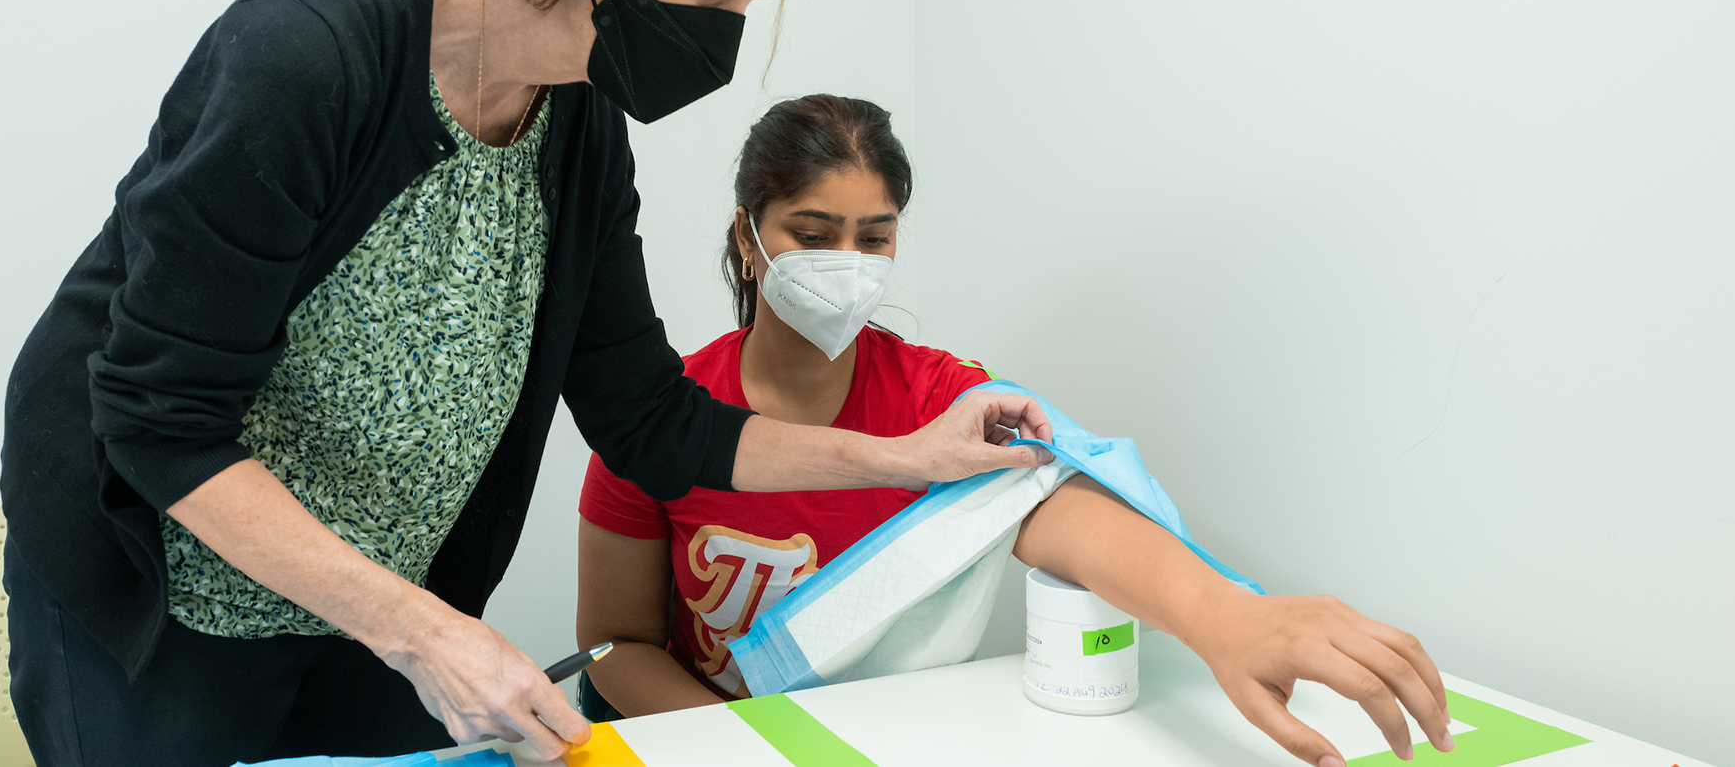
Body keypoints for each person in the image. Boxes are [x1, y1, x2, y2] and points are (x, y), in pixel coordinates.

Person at [0, 0, 1055, 767]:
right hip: (168, 593)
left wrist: (911, 457)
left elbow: (648, 420)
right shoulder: (309, 54)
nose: (722, 35)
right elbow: (157, 414)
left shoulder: (581, 127)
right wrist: (428, 634)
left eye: (746, 2)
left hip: (381, 603)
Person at [576, 95, 1456, 767]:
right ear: (747, 236)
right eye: (812, 234)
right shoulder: (664, 415)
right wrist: (752, 749)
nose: (845, 263)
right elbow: (615, 643)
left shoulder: (937, 396)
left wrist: (1227, 615)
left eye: (874, 238)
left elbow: (1052, 503)